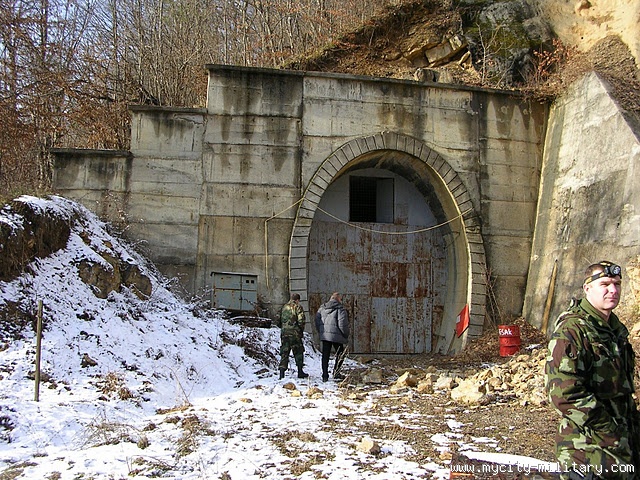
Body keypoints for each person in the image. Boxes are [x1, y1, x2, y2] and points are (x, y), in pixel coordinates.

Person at [545, 261, 640, 479]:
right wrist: (609, 431)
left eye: (617, 284)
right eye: (605, 284)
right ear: (587, 288)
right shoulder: (573, 331)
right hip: (586, 451)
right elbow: (564, 394)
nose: (613, 290)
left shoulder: (614, 329)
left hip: (620, 449)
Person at [315, 292, 350, 382]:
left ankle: (325, 375)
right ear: (338, 299)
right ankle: (336, 372)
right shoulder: (340, 309)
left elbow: (317, 321)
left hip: (325, 336)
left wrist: (321, 331)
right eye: (340, 299)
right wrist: (345, 334)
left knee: (325, 355)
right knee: (340, 353)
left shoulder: (322, 308)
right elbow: (342, 324)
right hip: (336, 336)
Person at [277, 293, 308, 379]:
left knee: (284, 352)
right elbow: (301, 320)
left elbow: (278, 319)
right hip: (295, 333)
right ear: (297, 300)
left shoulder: (283, 307)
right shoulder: (298, 307)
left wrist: (283, 327)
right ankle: (300, 372)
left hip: (284, 333)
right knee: (298, 351)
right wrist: (300, 330)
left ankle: (282, 373)